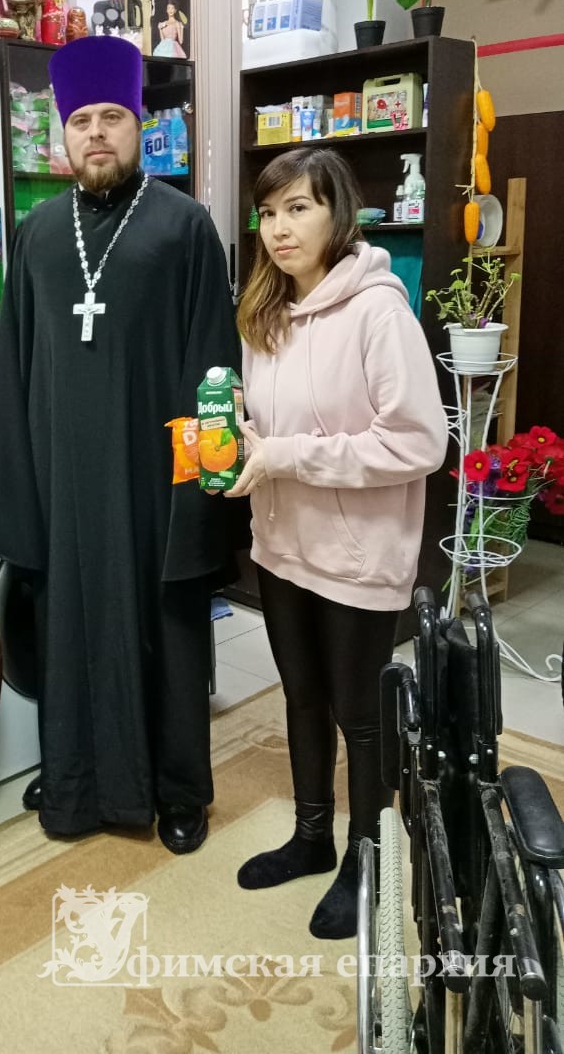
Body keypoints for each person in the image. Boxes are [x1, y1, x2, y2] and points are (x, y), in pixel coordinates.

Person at [0, 34, 242, 853]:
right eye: (80, 121)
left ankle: (177, 790)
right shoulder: (39, 232)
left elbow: (211, 363)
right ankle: (76, 779)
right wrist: (13, 485)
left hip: (154, 480)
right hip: (64, 480)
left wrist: (203, 488)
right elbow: (13, 364)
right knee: (67, 630)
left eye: (112, 117)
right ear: (63, 134)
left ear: (138, 125)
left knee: (167, 631)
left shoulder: (184, 226)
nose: (96, 134)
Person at [230, 147, 448, 937]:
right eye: (267, 212)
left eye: (298, 208)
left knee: (360, 714)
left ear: (337, 213)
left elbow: (418, 442)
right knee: (300, 697)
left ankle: (369, 858)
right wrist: (236, 437)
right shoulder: (263, 310)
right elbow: (272, 424)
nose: (279, 229)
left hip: (357, 553)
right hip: (281, 542)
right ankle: (312, 837)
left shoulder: (378, 312)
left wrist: (285, 455)